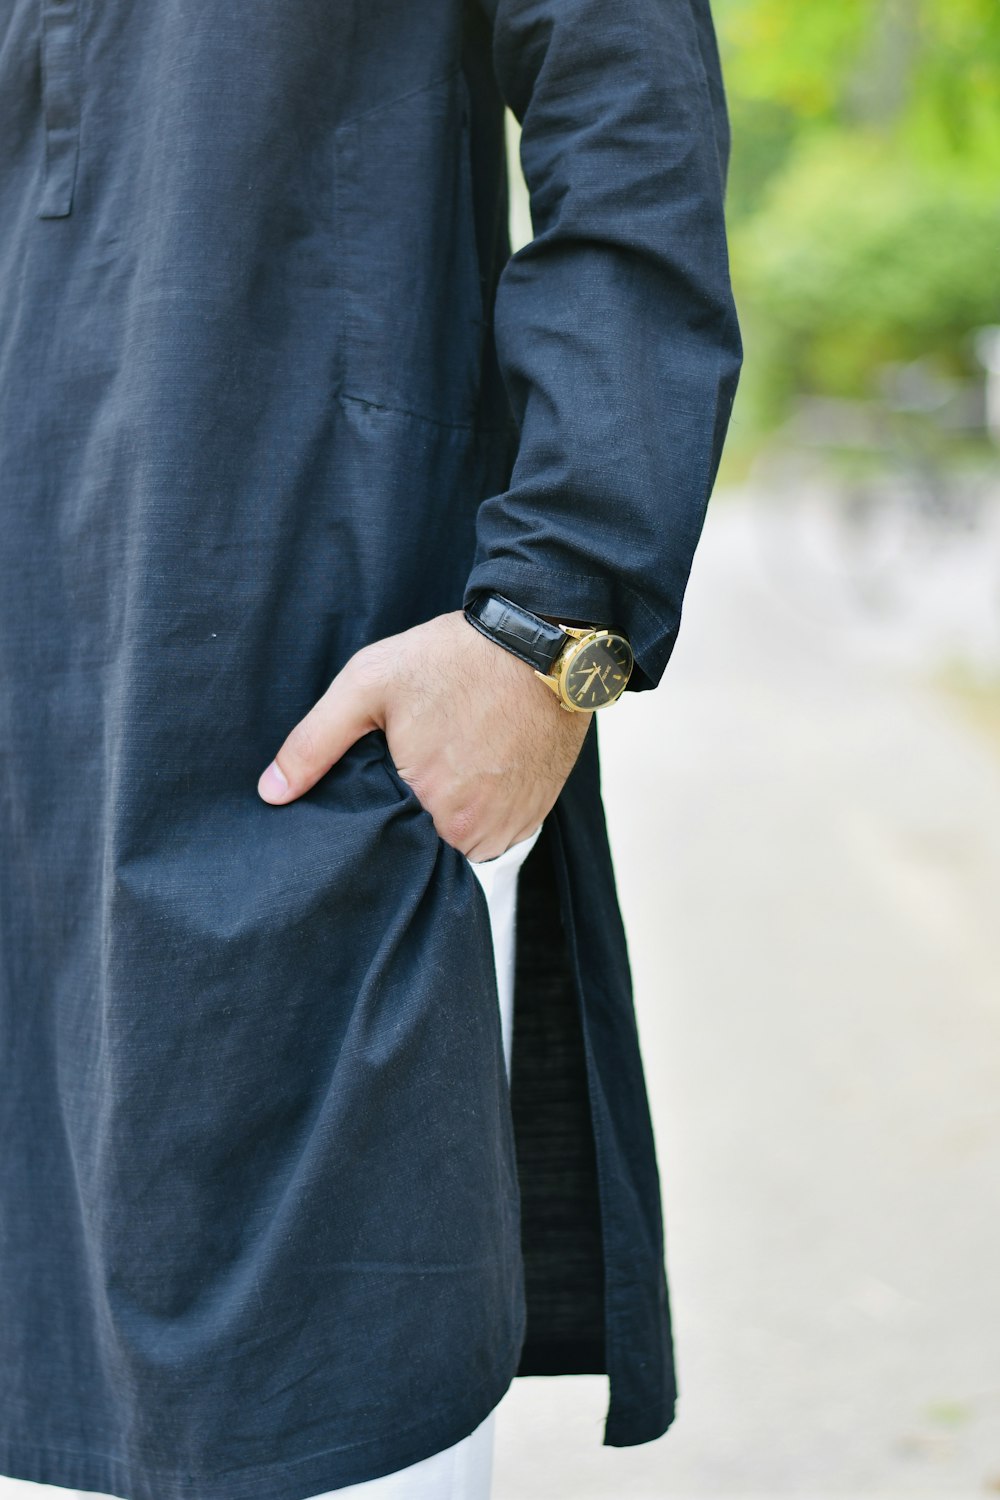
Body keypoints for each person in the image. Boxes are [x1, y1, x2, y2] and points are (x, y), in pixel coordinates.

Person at [0, 1, 742, 1499]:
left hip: (292, 701)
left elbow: (629, 110)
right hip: (29, 702)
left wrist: (552, 622)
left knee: (300, 1417)